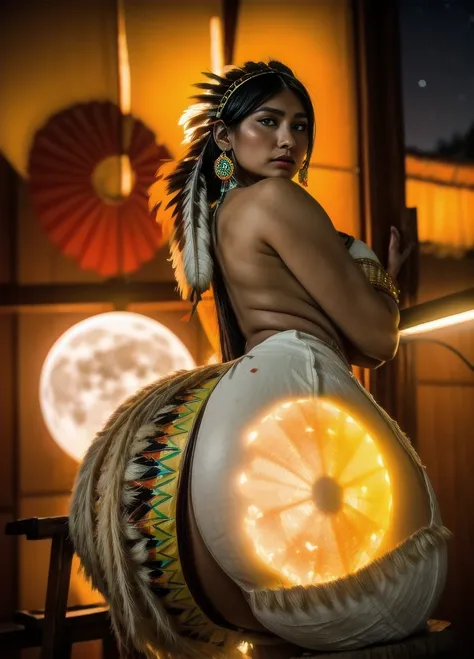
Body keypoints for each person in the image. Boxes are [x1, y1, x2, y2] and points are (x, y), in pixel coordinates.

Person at [70, 61, 449, 659]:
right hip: (300, 378)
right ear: (225, 137)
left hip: (264, 384)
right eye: (268, 122)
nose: (287, 141)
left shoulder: (224, 216)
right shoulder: (278, 199)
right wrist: (376, 274)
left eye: (300, 127)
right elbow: (377, 341)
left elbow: (334, 333)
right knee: (415, 581)